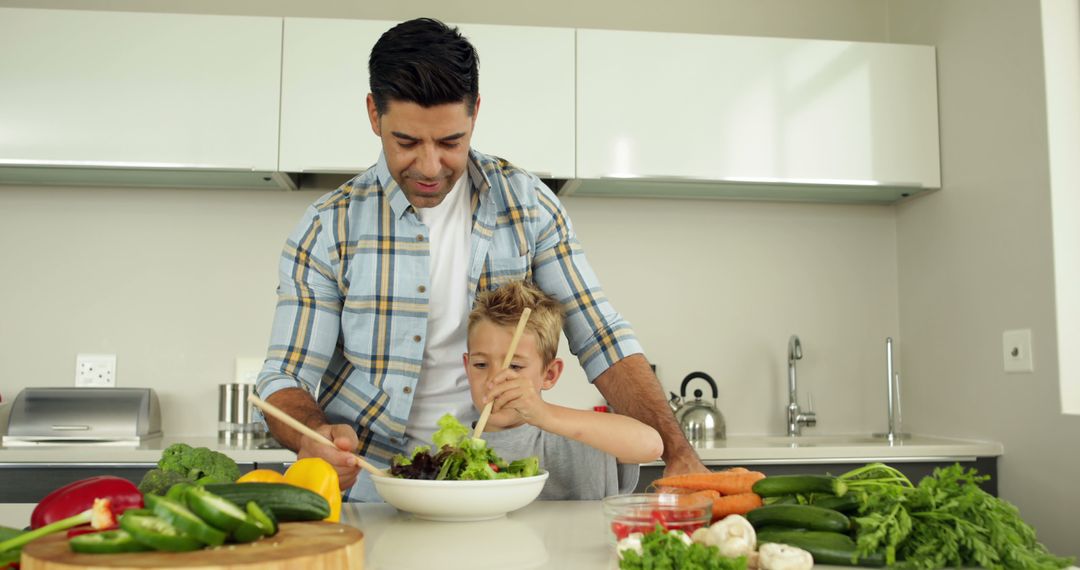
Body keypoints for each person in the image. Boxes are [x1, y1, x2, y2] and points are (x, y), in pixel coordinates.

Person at [255, 17, 705, 502]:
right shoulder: (328, 227)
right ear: (373, 115)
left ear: (475, 116)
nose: (429, 167)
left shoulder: (527, 205)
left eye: (450, 142)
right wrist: (312, 435)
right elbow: (286, 376)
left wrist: (678, 450)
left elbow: (600, 335)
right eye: (407, 142)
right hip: (377, 487)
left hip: (500, 483)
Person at [466, 281, 663, 498]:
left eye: (515, 366)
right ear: (467, 367)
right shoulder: (448, 451)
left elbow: (650, 445)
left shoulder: (579, 437)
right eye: (481, 365)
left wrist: (545, 414)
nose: (495, 379)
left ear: (549, 375)